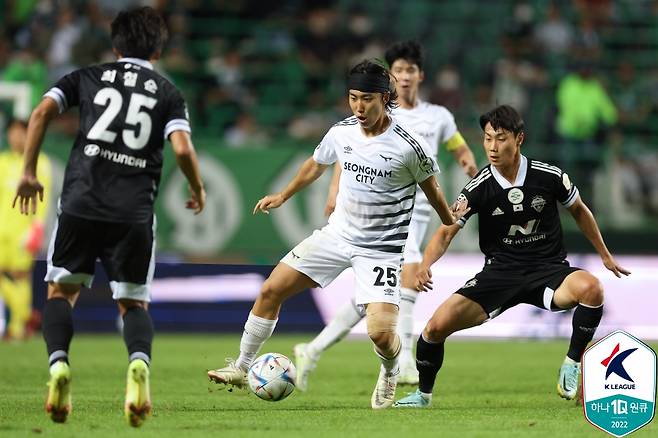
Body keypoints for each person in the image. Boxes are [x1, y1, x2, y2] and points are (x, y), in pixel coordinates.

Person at [207, 59, 466, 409]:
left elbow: (432, 188)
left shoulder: (409, 146)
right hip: (336, 237)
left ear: (385, 98)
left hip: (381, 250)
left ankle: (390, 371)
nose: (359, 106)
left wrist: (447, 217)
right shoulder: (341, 132)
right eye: (353, 97)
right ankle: (241, 366)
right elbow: (317, 163)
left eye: (367, 99)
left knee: (380, 333)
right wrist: (283, 194)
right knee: (270, 290)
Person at [13, 7, 206, 426]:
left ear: (115, 44)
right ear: (158, 48)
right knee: (133, 302)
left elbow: (42, 111)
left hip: (81, 203)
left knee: (60, 293)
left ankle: (59, 366)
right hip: (133, 212)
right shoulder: (167, 91)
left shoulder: (88, 76)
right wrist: (196, 186)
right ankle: (138, 365)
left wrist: (28, 171)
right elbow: (183, 149)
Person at [393, 104, 630, 408]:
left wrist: (605, 255)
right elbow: (446, 231)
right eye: (487, 138)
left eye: (500, 138)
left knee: (592, 288)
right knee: (434, 329)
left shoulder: (549, 176)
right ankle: (422, 396)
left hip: (548, 269)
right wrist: (425, 265)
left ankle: (571, 363)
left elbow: (580, 211)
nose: (492, 146)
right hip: (500, 274)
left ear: (519, 138)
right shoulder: (478, 187)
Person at [294, 40, 478, 390]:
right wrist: (334, 191)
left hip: (420, 213)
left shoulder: (437, 116)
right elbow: (350, 154)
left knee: (372, 299)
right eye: (398, 71)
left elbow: (457, 145)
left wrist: (467, 161)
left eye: (410, 70)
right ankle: (405, 362)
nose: (404, 76)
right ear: (390, 80)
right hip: (389, 218)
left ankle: (313, 349)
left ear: (420, 75)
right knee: (406, 282)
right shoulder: (377, 111)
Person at [0, 119, 51, 341]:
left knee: (20, 276)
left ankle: (17, 327)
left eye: (21, 133)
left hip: (24, 229)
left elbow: (44, 197)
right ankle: (26, 315)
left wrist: (37, 227)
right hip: (2, 227)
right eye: (13, 133)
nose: (16, 138)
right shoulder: (3, 162)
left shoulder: (40, 162)